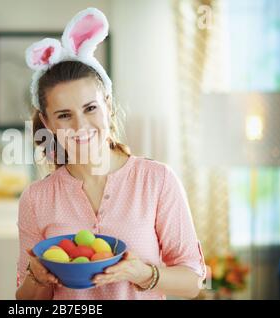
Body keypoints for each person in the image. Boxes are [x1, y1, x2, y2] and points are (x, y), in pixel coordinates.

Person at [15, 8, 206, 300]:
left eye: (90, 108)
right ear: (48, 122)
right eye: (64, 115)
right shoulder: (36, 198)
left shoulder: (157, 180)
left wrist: (142, 274)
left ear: (108, 104)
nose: (80, 126)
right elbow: (25, 301)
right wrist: (37, 276)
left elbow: (193, 281)